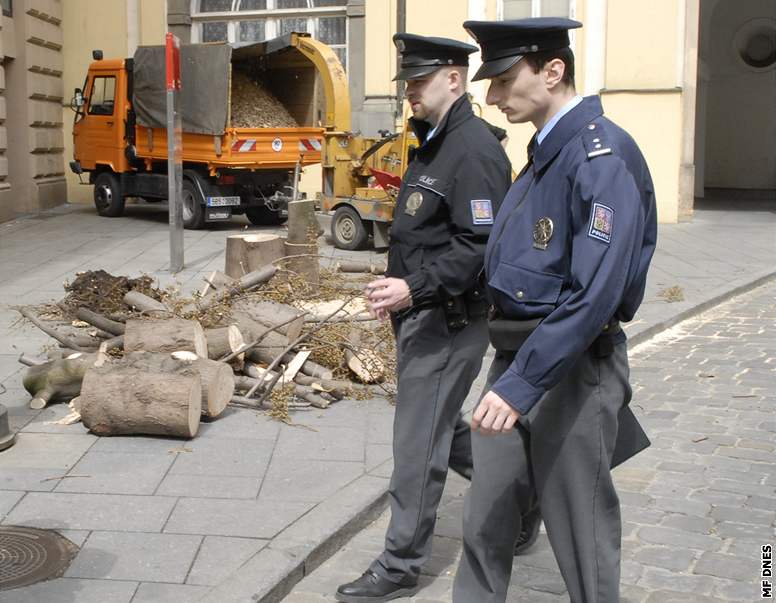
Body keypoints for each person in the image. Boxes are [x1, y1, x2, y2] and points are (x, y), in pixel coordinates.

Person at [453, 17, 658, 603]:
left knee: (582, 537)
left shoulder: (598, 156)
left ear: (552, 71)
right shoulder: (545, 152)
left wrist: (521, 385)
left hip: (571, 372)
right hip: (517, 364)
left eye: (502, 78)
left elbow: (593, 296)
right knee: (485, 518)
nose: (491, 97)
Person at [334, 33, 512, 603]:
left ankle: (401, 564)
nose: (409, 92)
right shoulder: (433, 140)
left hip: (449, 320)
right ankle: (520, 499)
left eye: (419, 81)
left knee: (416, 448)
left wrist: (412, 287)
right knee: (439, 426)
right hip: (424, 318)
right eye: (407, 82)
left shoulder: (475, 150)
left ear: (454, 80)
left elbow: (478, 245)